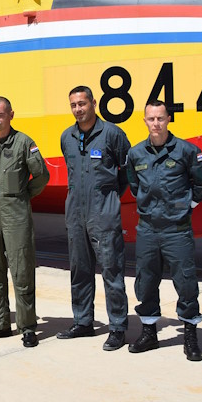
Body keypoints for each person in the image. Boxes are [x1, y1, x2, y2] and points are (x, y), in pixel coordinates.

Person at [126, 100, 202, 361]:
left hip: (177, 229)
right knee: (146, 281)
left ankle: (190, 335)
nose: (156, 124)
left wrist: (185, 208)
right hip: (148, 229)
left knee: (185, 282)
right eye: (151, 119)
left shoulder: (187, 151)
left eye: (160, 118)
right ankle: (149, 333)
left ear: (168, 119)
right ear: (145, 121)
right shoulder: (136, 154)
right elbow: (133, 186)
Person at [58, 86, 131, 349]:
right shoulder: (67, 137)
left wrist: (108, 197)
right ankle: (83, 322)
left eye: (82, 103)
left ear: (93, 103)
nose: (78, 109)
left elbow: (127, 173)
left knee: (112, 271)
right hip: (76, 212)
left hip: (104, 213)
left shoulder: (112, 134)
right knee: (80, 269)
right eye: (73, 105)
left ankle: (118, 327)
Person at [0, 97, 50, 348]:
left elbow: (42, 174)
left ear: (11, 115)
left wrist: (23, 194)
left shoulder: (24, 143)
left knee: (21, 271)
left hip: (16, 214)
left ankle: (28, 326)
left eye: (0, 115)